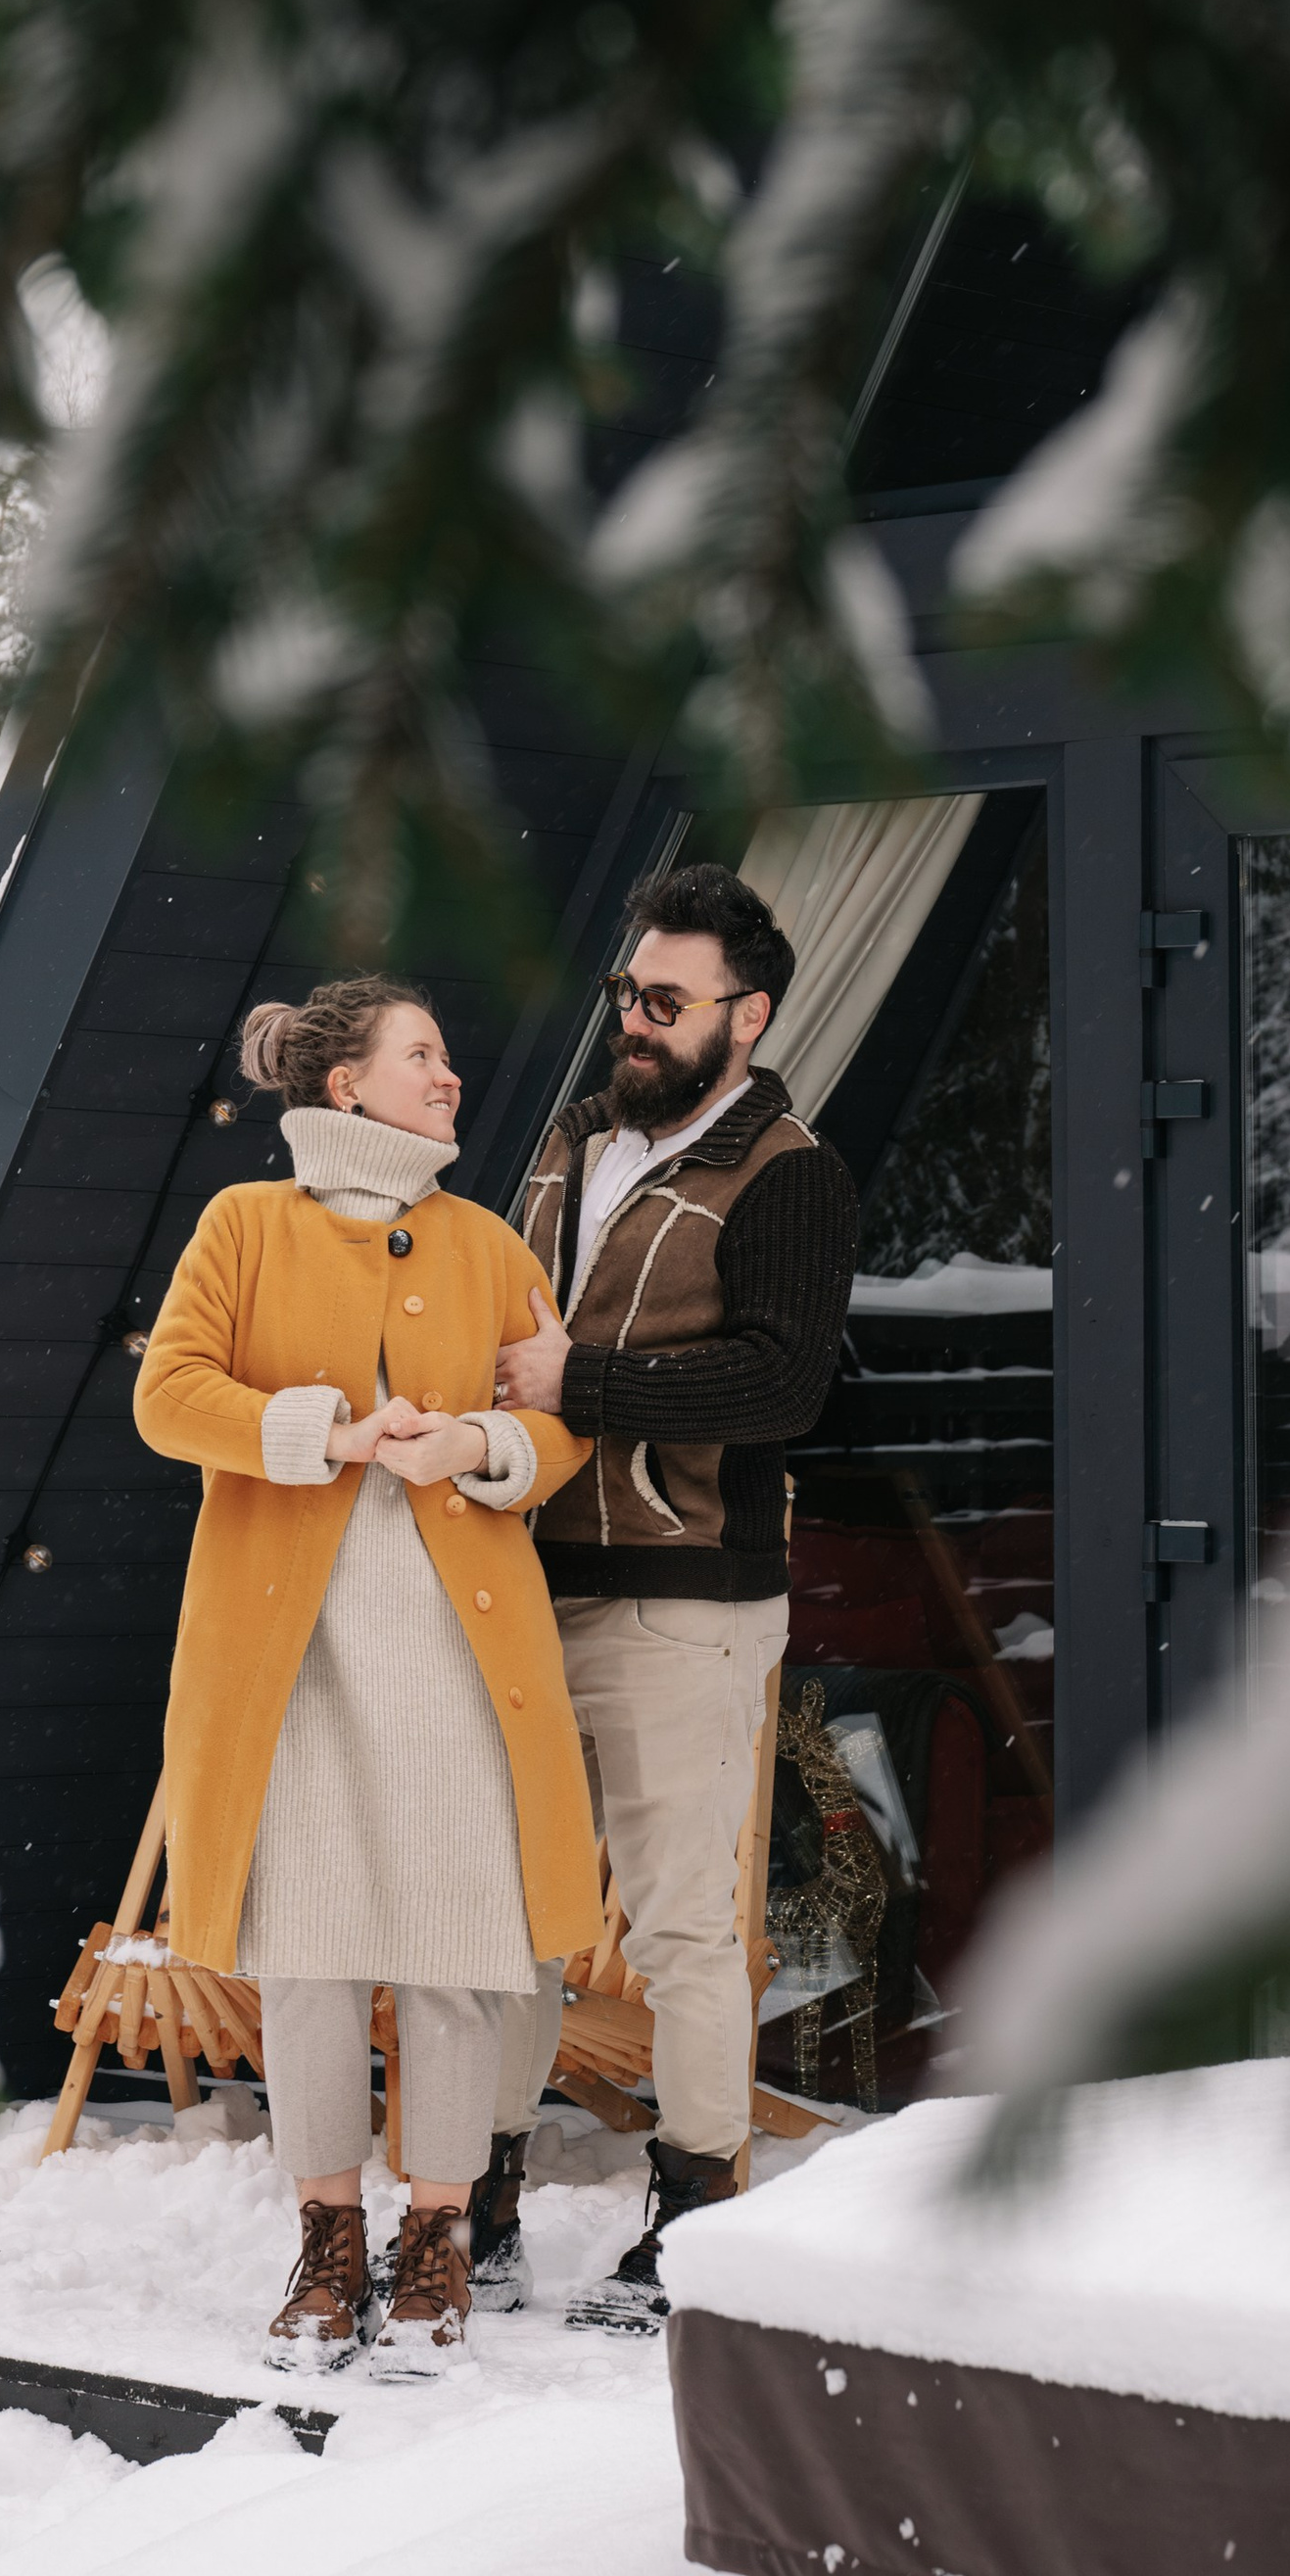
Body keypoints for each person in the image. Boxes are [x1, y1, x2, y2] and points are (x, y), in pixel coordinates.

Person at [133, 975, 599, 2375]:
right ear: (344, 1088)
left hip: (460, 1650)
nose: (449, 1077)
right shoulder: (243, 1226)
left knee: (461, 1950)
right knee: (314, 1956)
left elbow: (555, 1423)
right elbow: (171, 1395)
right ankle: (330, 2239)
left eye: (448, 1058)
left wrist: (480, 1450)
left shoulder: (488, 1243)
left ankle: (441, 2238)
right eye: (424, 1056)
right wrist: (329, 1433)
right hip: (296, 1655)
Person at [474, 861, 859, 2328]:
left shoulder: (790, 1174)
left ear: (745, 1017)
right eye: (625, 994)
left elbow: (785, 1383)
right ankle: (477, 2200)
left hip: (684, 1599)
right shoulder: (574, 1141)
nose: (632, 1022)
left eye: (665, 1000)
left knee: (687, 1924)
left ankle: (695, 2219)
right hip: (524, 1582)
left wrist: (590, 1384)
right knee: (507, 1911)